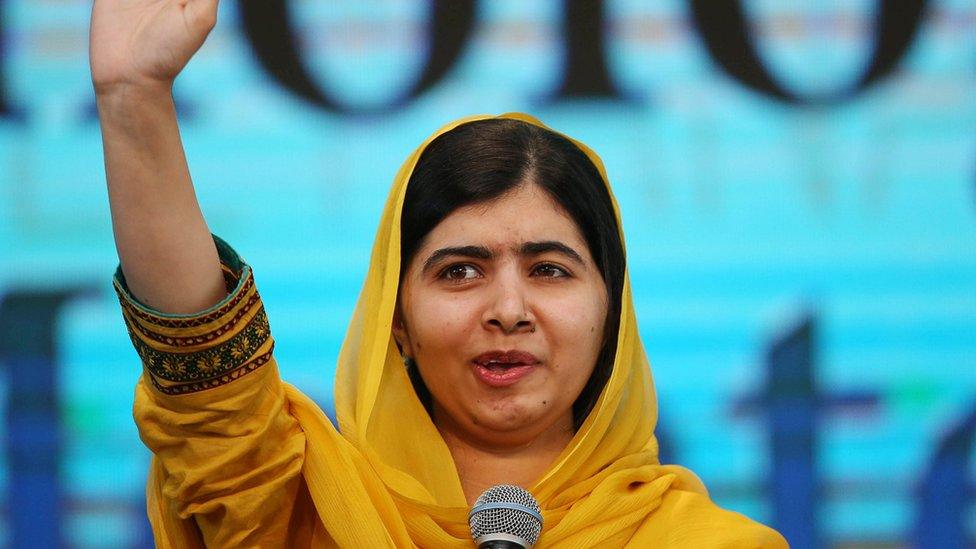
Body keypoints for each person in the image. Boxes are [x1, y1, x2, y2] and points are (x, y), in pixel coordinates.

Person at [91, 1, 789, 547]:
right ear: (396, 320)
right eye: (459, 272)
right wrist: (134, 97)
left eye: (549, 269)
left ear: (612, 311)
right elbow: (210, 388)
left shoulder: (708, 544)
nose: (509, 309)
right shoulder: (301, 518)